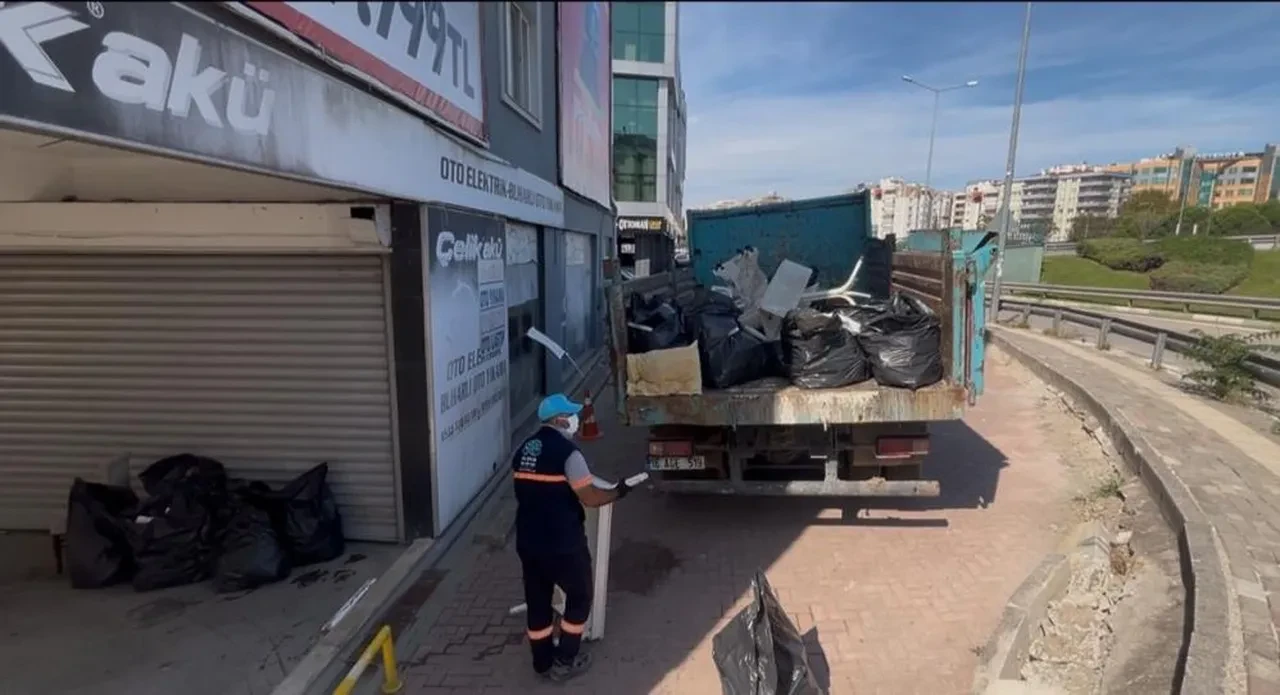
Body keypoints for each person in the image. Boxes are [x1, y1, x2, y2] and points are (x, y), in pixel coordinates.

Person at [512, 392, 634, 682]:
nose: (576, 420)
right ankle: (566, 659)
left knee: (538, 601)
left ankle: (541, 663)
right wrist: (618, 492)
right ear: (558, 419)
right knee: (579, 597)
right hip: (562, 543)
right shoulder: (569, 455)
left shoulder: (524, 450)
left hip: (528, 542)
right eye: (571, 415)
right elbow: (590, 498)